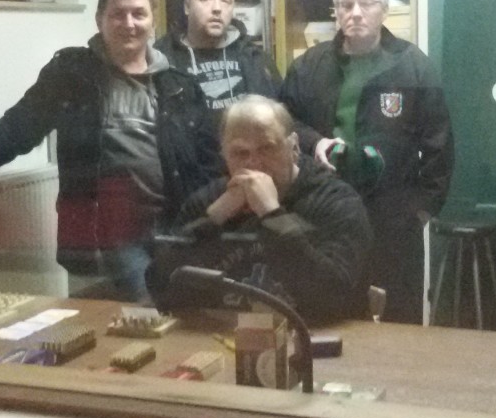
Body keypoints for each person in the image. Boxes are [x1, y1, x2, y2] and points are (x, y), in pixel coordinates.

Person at [0, 0, 221, 303]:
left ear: (153, 20)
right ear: (99, 20)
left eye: (138, 14)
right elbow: (17, 128)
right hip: (106, 235)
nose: (129, 23)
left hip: (172, 231)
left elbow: (208, 162)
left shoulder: (180, 86)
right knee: (147, 314)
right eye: (118, 14)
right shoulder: (71, 74)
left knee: (175, 317)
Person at [279, 0, 454, 324]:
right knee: (332, 315)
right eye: (346, 5)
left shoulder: (413, 66)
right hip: (324, 212)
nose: (356, 13)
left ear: (384, 10)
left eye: (367, 4)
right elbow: (283, 122)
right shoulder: (309, 66)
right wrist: (314, 143)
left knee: (397, 318)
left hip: (393, 219)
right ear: (335, 11)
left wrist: (422, 210)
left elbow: (439, 143)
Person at [148, 95, 372, 324]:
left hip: (313, 337)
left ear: (294, 147)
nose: (254, 163)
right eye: (240, 153)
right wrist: (212, 221)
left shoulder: (336, 201)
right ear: (224, 155)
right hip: (223, 335)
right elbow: (161, 290)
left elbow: (334, 298)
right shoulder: (210, 202)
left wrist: (272, 215)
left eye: (267, 148)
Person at [155, 0, 280, 119]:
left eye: (226, 1)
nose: (217, 8)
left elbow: (280, 118)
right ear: (187, 6)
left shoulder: (255, 57)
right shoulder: (163, 61)